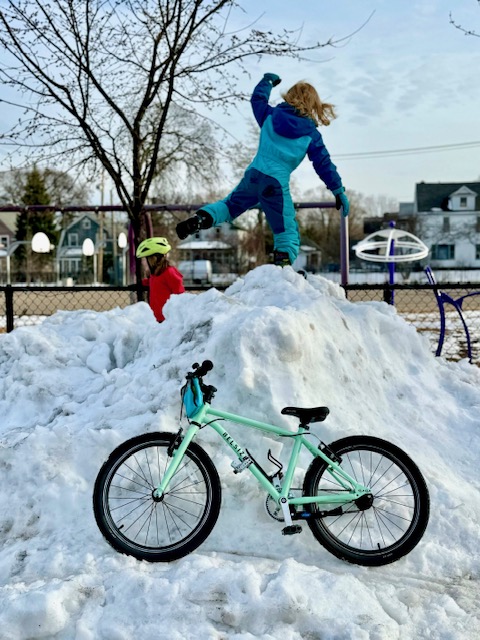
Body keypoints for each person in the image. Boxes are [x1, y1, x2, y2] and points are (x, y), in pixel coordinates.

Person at [176, 73, 349, 266]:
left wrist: (267, 82)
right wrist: (338, 190)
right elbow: (323, 164)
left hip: (253, 176)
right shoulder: (311, 135)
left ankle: (199, 219)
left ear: (290, 97)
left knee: (229, 206)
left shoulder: (270, 116)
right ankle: (282, 271)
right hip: (275, 183)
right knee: (286, 231)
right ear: (313, 105)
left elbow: (257, 99)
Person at [136, 237, 185, 322]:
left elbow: (180, 295)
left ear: (154, 258)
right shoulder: (155, 274)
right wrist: (141, 284)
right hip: (156, 319)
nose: (145, 262)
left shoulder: (169, 272)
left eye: (146, 258)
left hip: (168, 320)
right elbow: (156, 283)